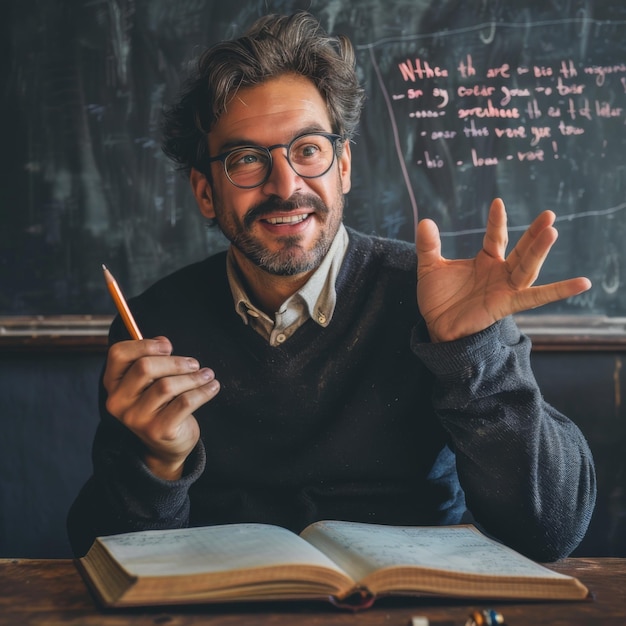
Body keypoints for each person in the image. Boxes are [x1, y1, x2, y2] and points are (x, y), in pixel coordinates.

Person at [67, 11, 596, 560]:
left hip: (412, 598)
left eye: (309, 149)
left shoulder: (440, 299)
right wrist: (158, 464)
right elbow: (99, 549)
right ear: (205, 193)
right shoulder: (156, 326)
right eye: (247, 159)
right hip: (229, 605)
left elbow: (549, 531)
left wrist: (473, 351)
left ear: (342, 165)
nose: (285, 185)